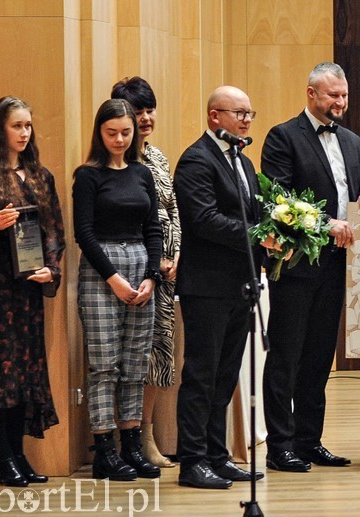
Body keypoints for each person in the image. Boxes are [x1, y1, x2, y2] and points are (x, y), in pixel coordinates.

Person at [261, 62, 360, 472]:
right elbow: (280, 200)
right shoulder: (282, 137)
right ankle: (280, 445)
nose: (340, 103)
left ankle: (310, 440)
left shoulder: (352, 141)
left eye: (344, 96)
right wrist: (327, 225)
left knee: (319, 358)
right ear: (311, 94)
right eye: (333, 96)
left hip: (336, 267)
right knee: (286, 357)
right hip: (296, 266)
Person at [0, 96, 65, 487]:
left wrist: (51, 269)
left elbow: (55, 231)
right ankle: (3, 458)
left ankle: (20, 455)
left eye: (28, 125)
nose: (24, 133)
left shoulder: (41, 176)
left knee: (24, 372)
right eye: (16, 126)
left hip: (27, 289)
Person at [173, 86, 265, 489]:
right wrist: (259, 233)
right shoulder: (196, 160)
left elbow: (253, 212)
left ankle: (217, 454)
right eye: (238, 113)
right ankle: (192, 462)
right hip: (207, 287)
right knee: (201, 374)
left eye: (250, 113)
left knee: (226, 374)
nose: (246, 120)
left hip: (240, 285)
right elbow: (204, 219)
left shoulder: (240, 160)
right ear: (214, 117)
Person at [73, 98, 163, 481]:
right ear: (100, 132)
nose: (120, 139)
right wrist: (113, 277)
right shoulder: (88, 175)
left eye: (126, 132)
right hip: (102, 270)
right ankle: (104, 450)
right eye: (112, 133)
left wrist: (151, 277)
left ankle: (132, 444)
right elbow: (84, 233)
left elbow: (154, 229)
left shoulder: (142, 174)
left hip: (141, 266)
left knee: (134, 364)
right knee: (104, 364)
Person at [111, 77, 180, 469]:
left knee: (157, 357)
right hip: (132, 272)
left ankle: (147, 435)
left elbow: (171, 212)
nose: (147, 117)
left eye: (150, 109)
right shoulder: (119, 162)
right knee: (129, 358)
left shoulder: (158, 158)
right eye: (139, 111)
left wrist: (176, 253)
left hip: (166, 277)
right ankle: (127, 439)